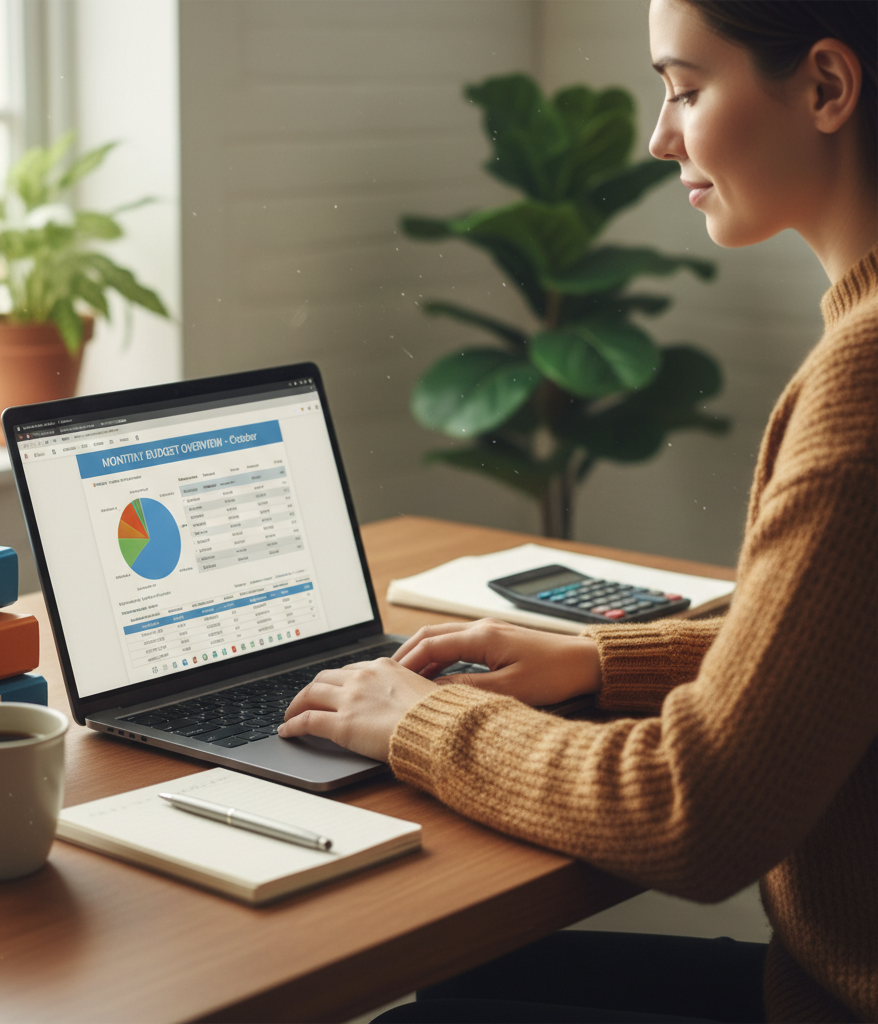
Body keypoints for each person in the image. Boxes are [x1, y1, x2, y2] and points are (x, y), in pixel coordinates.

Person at [278, 1, 878, 1021]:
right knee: (470, 985)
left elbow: (696, 812)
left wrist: (423, 718)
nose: (659, 136)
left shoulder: (863, 383)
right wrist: (603, 663)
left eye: (686, 89)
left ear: (826, 86)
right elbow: (838, 646)